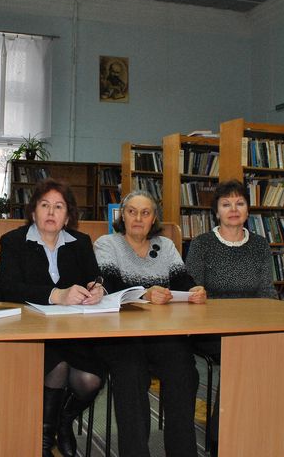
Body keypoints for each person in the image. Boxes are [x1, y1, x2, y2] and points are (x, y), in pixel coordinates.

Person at [0, 178, 105, 457]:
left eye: (59, 207)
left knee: (91, 379)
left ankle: (64, 420)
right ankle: (44, 441)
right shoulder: (14, 241)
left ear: (67, 216)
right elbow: (8, 288)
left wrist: (98, 289)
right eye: (44, 205)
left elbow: (95, 278)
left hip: (73, 331)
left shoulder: (80, 243)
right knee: (57, 366)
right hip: (30, 331)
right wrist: (56, 295)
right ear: (33, 212)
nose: (51, 212)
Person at [94, 190, 205, 457]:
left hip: (162, 334)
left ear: (154, 218)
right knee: (130, 374)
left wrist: (195, 290)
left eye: (145, 213)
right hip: (121, 336)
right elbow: (110, 286)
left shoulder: (165, 245)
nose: (138, 218)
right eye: (132, 211)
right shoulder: (107, 244)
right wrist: (145, 293)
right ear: (122, 216)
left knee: (184, 371)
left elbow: (182, 281)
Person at [184, 178, 277, 455]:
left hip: (252, 326)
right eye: (226, 204)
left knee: (278, 350)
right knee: (242, 353)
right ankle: (220, 437)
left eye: (239, 203)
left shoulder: (260, 245)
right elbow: (192, 290)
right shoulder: (202, 244)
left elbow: (267, 290)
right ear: (216, 212)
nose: (233, 209)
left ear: (248, 209)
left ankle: (262, 430)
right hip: (209, 329)